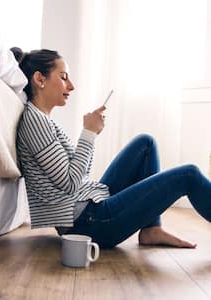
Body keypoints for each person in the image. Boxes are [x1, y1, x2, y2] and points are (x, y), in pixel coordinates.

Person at [13, 47, 211, 249]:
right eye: (63, 77)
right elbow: (71, 183)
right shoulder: (35, 121)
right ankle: (151, 228)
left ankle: (152, 228)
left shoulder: (42, 119)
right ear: (40, 79)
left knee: (145, 143)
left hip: (87, 210)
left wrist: (91, 133)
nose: (71, 86)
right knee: (189, 175)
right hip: (87, 224)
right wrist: (88, 133)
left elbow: (80, 176)